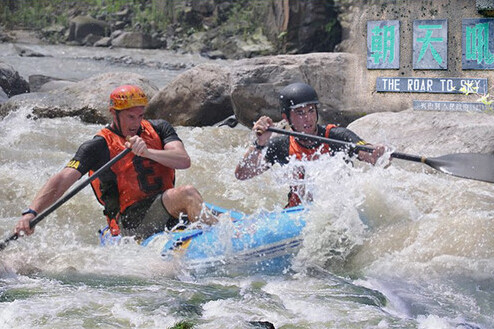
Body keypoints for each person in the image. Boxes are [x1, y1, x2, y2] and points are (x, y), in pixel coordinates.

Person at [15, 84, 215, 240]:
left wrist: (148, 153)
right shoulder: (98, 146)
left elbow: (183, 160)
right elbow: (62, 179)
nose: (136, 123)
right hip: (131, 222)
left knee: (193, 200)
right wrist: (31, 213)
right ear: (114, 113)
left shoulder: (160, 129)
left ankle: (215, 232)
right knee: (187, 193)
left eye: (140, 116)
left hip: (165, 207)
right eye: (130, 117)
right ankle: (215, 241)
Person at [235, 82, 385, 208]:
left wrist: (377, 153)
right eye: (300, 113)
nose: (307, 118)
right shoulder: (281, 145)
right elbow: (242, 175)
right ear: (286, 117)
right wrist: (260, 143)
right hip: (296, 214)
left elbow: (369, 155)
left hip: (336, 210)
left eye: (311, 110)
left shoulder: (337, 137)